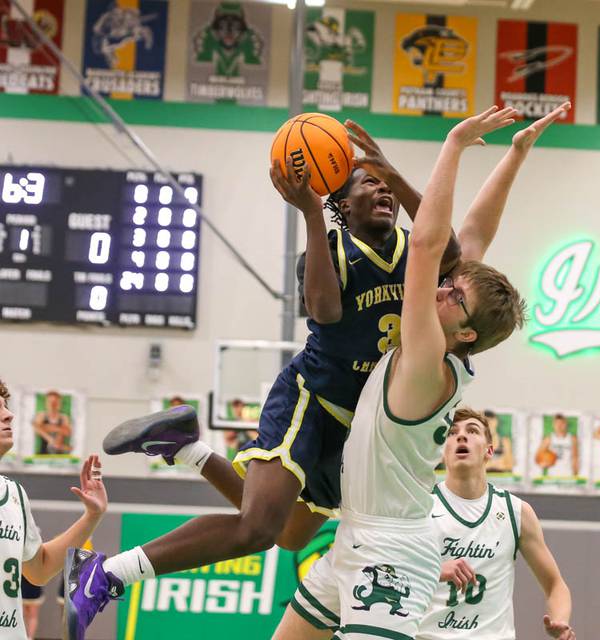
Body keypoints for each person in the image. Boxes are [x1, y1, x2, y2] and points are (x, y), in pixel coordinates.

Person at [63, 104, 568, 638]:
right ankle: (110, 573)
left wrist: (403, 170)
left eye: (386, 185)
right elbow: (328, 310)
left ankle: (187, 446)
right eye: (366, 184)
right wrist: (310, 213)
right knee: (259, 527)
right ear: (341, 206)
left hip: (357, 424)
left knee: (290, 534)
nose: (382, 191)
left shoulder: (419, 268)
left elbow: (447, 242)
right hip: (314, 396)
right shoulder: (335, 250)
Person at [274, 105, 527, 640]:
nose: (443, 286)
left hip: (389, 548)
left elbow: (433, 244)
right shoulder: (451, 346)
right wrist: (515, 157)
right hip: (360, 531)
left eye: (454, 294)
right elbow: (473, 237)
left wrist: (453, 144)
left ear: (464, 334)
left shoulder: (420, 356)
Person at [416, 408, 574, 640]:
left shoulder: (515, 511)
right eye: (452, 433)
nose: (461, 436)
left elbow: (555, 585)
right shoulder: (419, 507)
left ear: (489, 450)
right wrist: (433, 571)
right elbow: (389, 571)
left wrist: (560, 621)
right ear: (443, 451)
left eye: (472, 431)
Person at [0, 379, 107, 640]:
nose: (9, 414)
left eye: (6, 406)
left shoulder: (14, 494)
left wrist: (92, 516)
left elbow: (40, 569)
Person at [537, 413, 579, 477]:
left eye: (561, 424)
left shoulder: (573, 438)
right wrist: (543, 463)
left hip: (568, 473)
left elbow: (575, 457)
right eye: (556, 424)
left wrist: (575, 473)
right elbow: (538, 455)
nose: (559, 426)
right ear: (553, 425)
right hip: (552, 474)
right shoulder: (548, 439)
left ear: (566, 424)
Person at [32, 390, 72, 455]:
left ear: (59, 403)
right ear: (46, 403)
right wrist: (50, 439)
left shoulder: (64, 417)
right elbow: (36, 429)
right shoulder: (41, 415)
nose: (52, 404)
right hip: (43, 453)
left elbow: (67, 432)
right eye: (50, 402)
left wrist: (45, 427)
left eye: (55, 402)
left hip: (60, 453)